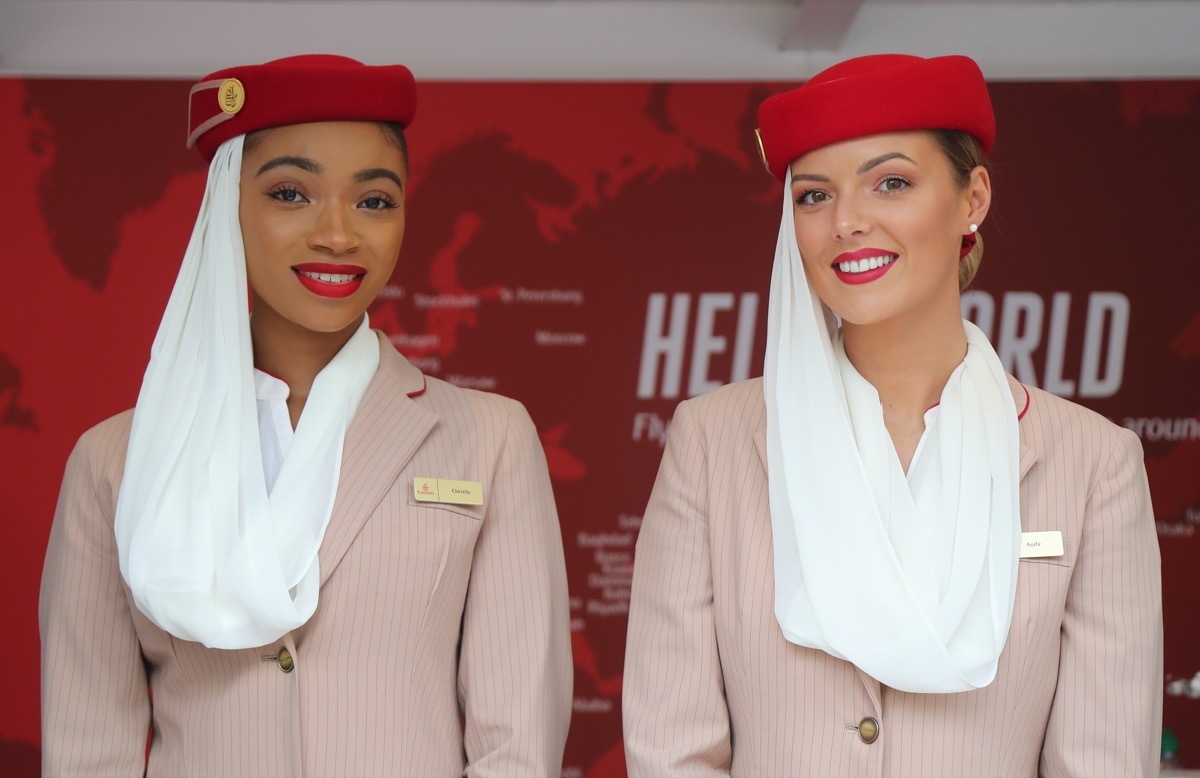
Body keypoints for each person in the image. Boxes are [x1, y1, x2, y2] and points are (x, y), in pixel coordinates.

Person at [622, 53, 1162, 777]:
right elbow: (671, 748)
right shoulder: (713, 442)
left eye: (892, 183)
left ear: (973, 199)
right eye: (814, 197)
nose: (847, 221)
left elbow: (1101, 762)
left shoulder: (1094, 462)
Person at [40, 54, 573, 777]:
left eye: (374, 201)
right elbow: (87, 747)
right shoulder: (116, 461)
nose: (338, 234)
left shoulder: (489, 438)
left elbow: (518, 742)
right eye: (291, 193)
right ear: (226, 207)